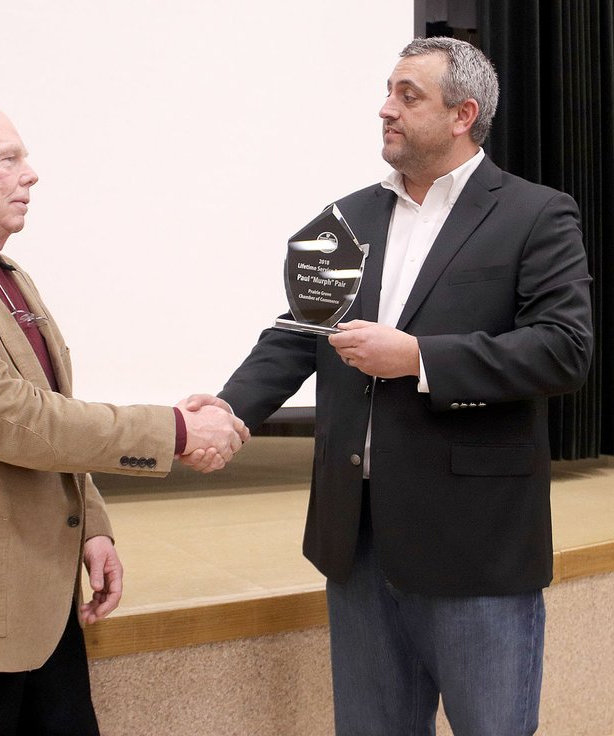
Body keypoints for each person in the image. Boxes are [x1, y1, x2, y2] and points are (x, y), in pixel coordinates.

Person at [185, 37, 593, 735]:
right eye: (387, 92)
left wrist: (419, 358)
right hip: (359, 541)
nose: (386, 110)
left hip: (476, 547)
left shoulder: (535, 214)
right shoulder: (346, 219)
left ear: (463, 114)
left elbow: (564, 349)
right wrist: (228, 409)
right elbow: (296, 333)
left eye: (408, 96)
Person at [0, 97, 249, 736]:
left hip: (34, 612)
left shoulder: (2, 272)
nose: (32, 174)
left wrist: (91, 527)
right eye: (9, 158)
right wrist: (176, 430)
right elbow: (9, 418)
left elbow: (45, 414)